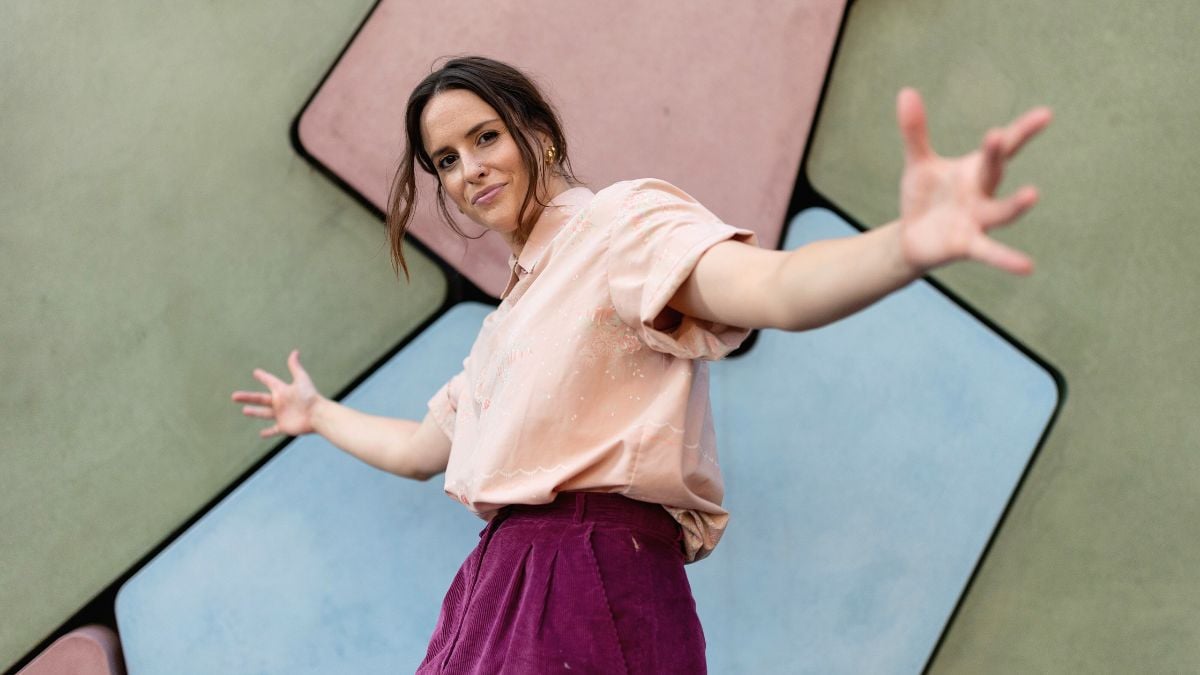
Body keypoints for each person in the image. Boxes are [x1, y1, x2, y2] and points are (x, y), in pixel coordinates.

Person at [231, 56, 1051, 673]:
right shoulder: (505, 323)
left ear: (540, 133)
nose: (469, 168)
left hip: (588, 581)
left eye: (485, 136)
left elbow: (775, 287)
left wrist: (903, 247)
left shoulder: (621, 225)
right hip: (494, 594)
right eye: (445, 159)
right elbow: (418, 449)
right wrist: (316, 414)